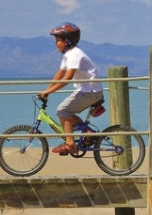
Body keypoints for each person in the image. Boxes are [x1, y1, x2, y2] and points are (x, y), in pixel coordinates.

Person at [39, 22, 104, 156]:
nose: (55, 44)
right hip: (86, 90)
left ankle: (70, 143)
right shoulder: (68, 54)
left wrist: (49, 92)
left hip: (90, 91)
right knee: (66, 112)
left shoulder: (75, 54)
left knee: (62, 111)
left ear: (67, 41)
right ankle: (89, 134)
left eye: (58, 41)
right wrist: (46, 90)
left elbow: (67, 78)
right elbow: (60, 74)